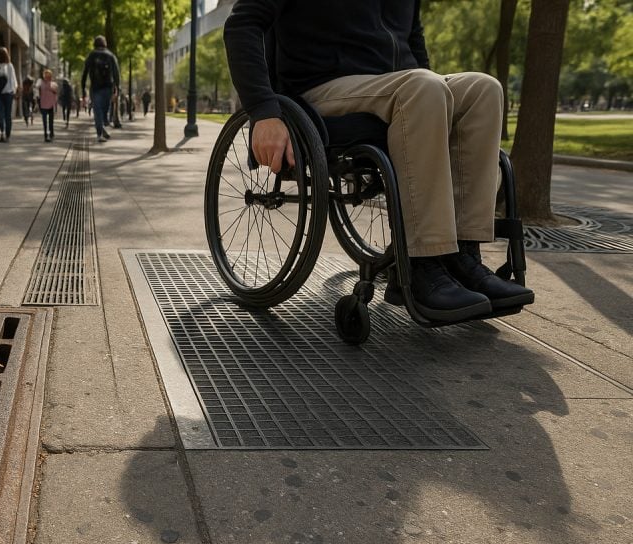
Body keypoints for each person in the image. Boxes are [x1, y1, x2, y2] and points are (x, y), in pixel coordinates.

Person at [224, 0, 534, 322]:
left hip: (396, 85)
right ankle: (422, 265)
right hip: (321, 87)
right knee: (422, 87)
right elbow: (242, 25)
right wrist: (264, 110)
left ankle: (464, 257)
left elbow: (414, 45)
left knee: (483, 88)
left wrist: (441, 102)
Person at [81, 35, 120, 143]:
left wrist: (83, 89)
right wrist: (117, 87)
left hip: (95, 87)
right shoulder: (111, 55)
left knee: (97, 111)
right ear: (105, 44)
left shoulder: (91, 55)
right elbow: (116, 73)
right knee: (104, 111)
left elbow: (84, 73)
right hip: (108, 87)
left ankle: (100, 133)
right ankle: (102, 128)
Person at [0, 47, 18, 143]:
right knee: (8, 114)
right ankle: (8, 135)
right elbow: (13, 79)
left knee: (0, 113)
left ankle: (2, 132)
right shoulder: (10, 66)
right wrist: (14, 90)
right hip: (8, 93)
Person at [35, 68, 59, 142]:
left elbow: (55, 91)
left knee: (51, 121)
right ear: (44, 76)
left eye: (49, 76)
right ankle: (46, 134)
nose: (47, 77)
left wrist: (49, 86)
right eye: (46, 76)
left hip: (51, 105)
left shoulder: (54, 84)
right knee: (44, 121)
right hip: (43, 104)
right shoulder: (40, 83)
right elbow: (36, 88)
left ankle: (51, 133)